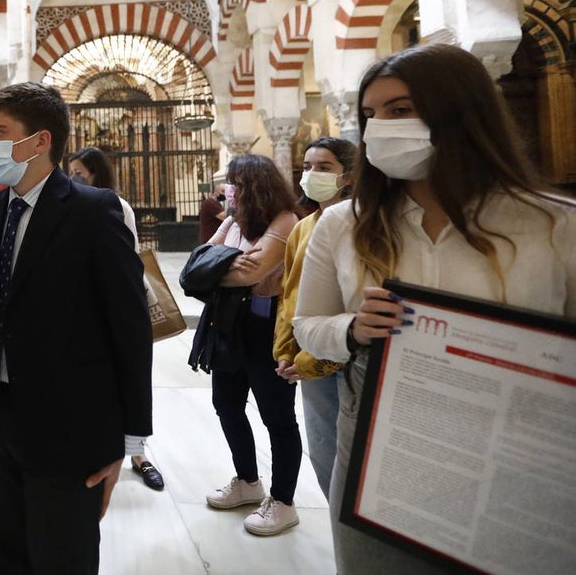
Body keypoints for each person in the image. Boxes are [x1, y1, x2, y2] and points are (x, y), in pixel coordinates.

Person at [293, 43, 576, 573]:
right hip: (385, 435)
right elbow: (308, 325)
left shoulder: (554, 225)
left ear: (458, 112)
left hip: (515, 448)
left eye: (400, 110)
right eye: (371, 115)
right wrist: (354, 328)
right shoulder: (343, 225)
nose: (380, 127)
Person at [0, 82, 153, 575]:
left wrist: (128, 440)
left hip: (69, 429)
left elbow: (129, 327)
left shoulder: (94, 211)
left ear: (41, 141)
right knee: (10, 555)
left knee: (61, 558)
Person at [204, 154, 302, 536]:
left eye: (237, 183)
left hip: (268, 332)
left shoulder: (284, 221)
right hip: (230, 327)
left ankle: (283, 501)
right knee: (225, 404)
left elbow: (255, 272)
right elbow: (198, 265)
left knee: (277, 417)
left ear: (258, 186)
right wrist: (226, 266)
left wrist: (219, 268)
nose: (230, 190)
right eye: (230, 183)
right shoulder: (233, 220)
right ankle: (247, 481)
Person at [68, 145, 165, 492]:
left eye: (81, 172)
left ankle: (139, 455)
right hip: (85, 311)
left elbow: (128, 260)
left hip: (117, 307)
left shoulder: (115, 205)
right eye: (72, 171)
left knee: (130, 379)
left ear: (96, 173)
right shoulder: (68, 204)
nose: (74, 177)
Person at [272, 137, 356, 501]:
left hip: (350, 353)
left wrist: (309, 358)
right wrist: (286, 351)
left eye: (323, 168)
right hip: (307, 359)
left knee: (354, 458)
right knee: (324, 453)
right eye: (307, 167)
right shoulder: (304, 227)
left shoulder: (361, 222)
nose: (312, 175)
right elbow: (290, 294)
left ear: (348, 177)